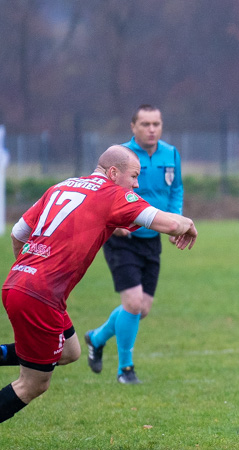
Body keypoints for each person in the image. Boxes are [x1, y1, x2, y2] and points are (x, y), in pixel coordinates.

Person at [0, 146, 197, 442]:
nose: (136, 184)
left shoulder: (61, 185)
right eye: (134, 176)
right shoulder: (112, 194)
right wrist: (187, 224)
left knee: (69, 352)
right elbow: (171, 223)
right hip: (40, 294)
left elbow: (17, 233)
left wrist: (28, 273)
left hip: (19, 283)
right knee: (33, 383)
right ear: (113, 173)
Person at [85, 105, 185, 384]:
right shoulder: (120, 156)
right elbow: (98, 191)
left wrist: (175, 220)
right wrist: (113, 223)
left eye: (156, 123)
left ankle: (97, 337)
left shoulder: (171, 153)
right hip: (122, 239)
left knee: (143, 308)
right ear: (133, 127)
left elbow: (176, 189)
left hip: (151, 239)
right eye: (145, 124)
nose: (152, 129)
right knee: (132, 302)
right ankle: (125, 370)